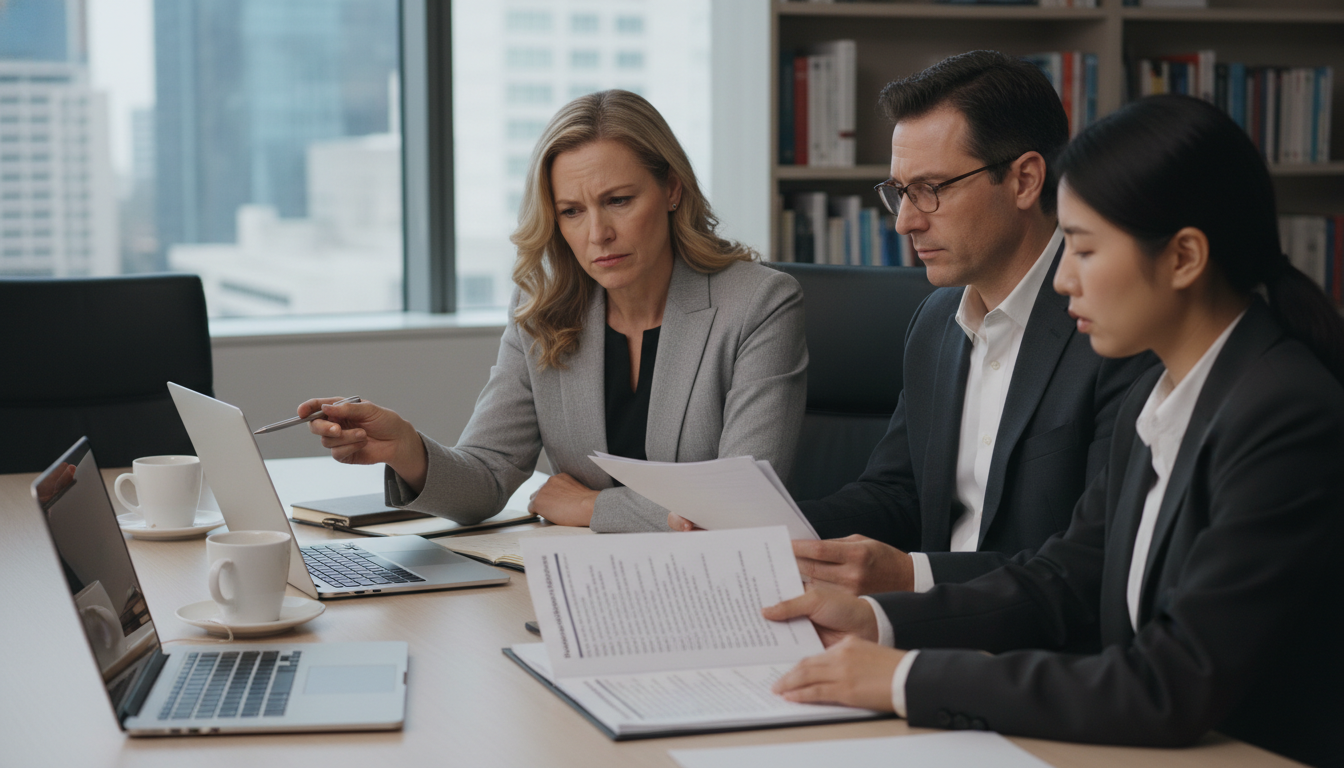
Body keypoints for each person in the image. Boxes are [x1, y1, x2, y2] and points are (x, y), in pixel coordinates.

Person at [765, 95, 1344, 768]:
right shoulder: (1162, 396)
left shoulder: (1284, 415)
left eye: (1085, 249)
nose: (1064, 278)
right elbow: (1064, 580)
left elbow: (1171, 681)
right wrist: (880, 623)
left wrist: (902, 678)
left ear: (1184, 257)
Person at [672, 51, 1153, 596]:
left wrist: (912, 577)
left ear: (1024, 180)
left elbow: (1093, 562)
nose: (905, 220)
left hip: (1035, 648)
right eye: (900, 191)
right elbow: (899, 493)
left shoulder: (1116, 329)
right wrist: (764, 531)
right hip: (925, 624)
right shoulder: (936, 321)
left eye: (931, 189)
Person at [299, 90, 807, 532]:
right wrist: (405, 448)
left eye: (619, 200)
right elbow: (489, 478)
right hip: (578, 579)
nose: (597, 234)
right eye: (571, 211)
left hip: (718, 587)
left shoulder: (758, 304)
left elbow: (744, 508)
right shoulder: (542, 309)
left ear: (672, 189)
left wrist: (591, 507)